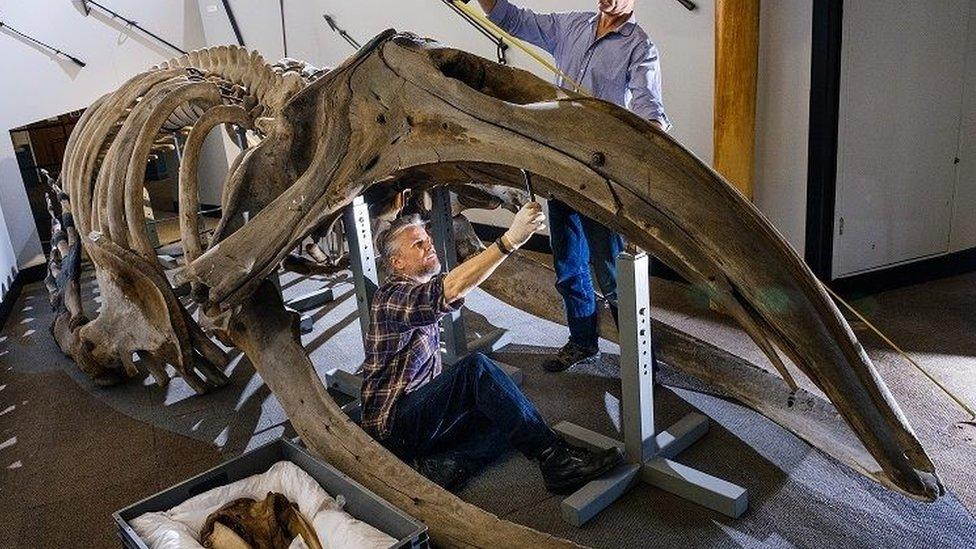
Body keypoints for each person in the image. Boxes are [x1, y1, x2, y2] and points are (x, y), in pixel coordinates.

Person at [361, 202, 622, 493]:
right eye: (419, 244)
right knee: (476, 369)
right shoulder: (392, 296)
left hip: (420, 412)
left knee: (505, 409)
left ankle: (447, 464)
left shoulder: (418, 286)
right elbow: (449, 290)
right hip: (393, 426)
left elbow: (447, 287)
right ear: (397, 262)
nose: (429, 247)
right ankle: (556, 460)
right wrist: (510, 240)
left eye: (429, 241)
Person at [475, 0, 671, 372]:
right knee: (568, 266)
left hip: (600, 176)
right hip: (562, 168)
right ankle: (583, 342)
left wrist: (650, 154)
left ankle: (642, 360)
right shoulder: (572, 26)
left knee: (613, 274)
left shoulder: (640, 47)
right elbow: (512, 19)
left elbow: (650, 112)